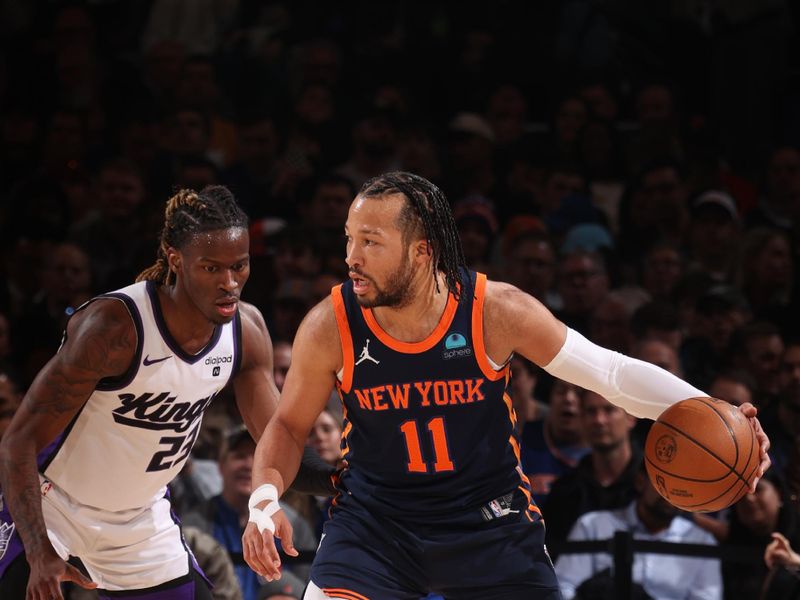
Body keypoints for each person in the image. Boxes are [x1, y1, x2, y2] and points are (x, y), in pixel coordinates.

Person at [242, 172, 770, 600]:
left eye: (371, 243)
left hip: (488, 524)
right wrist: (263, 501)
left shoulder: (495, 311)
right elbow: (288, 425)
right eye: (350, 240)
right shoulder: (330, 324)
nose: (351, 258)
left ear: (422, 252)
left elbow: (609, 373)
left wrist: (709, 409)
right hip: (376, 525)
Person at [0, 186, 335, 599]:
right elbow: (18, 442)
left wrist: (345, 479)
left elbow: (281, 442)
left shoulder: (246, 332)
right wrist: (38, 550)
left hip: (139, 521)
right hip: (52, 505)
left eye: (240, 266)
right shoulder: (115, 328)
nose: (230, 283)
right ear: (175, 259)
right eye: (211, 269)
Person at [554, 464, 722, 600]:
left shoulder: (702, 541)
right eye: (663, 481)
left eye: (682, 486)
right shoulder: (593, 525)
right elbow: (562, 588)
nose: (672, 493)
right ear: (641, 481)